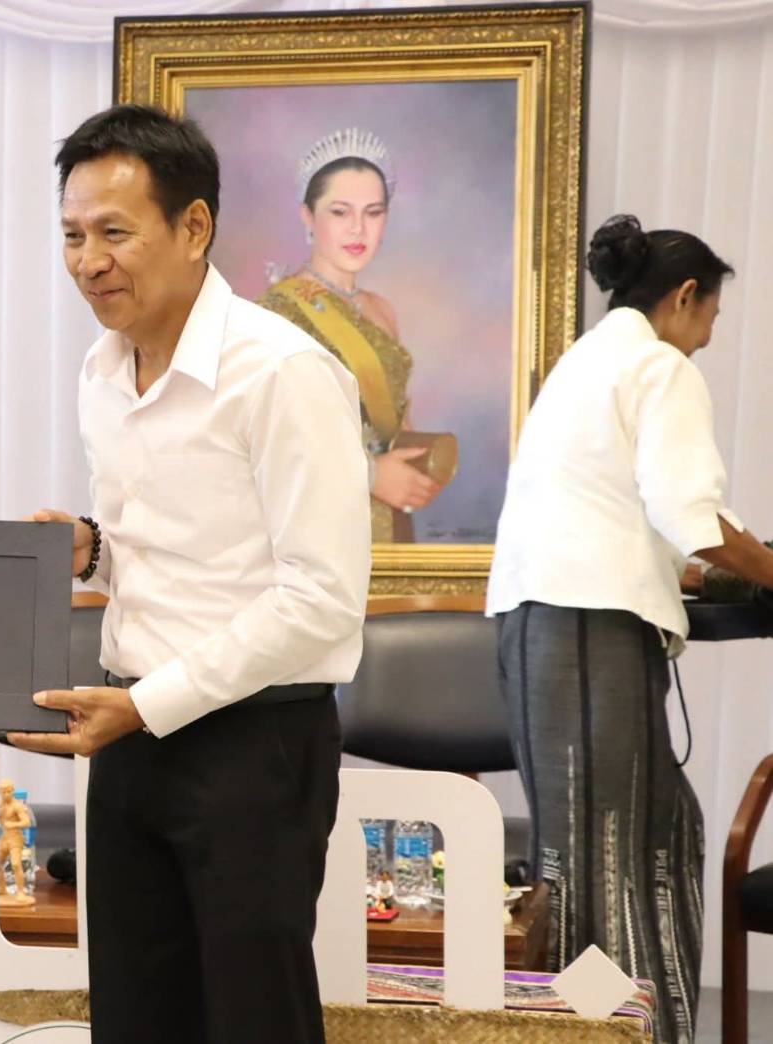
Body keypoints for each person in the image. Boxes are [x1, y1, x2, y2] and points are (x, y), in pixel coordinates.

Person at [10, 104, 371, 1043]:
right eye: (72, 235)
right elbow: (183, 545)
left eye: (114, 233)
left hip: (254, 745)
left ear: (194, 226)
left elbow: (323, 597)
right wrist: (94, 547)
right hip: (127, 736)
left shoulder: (281, 372)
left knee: (253, 1020)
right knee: (135, 1014)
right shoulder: (101, 370)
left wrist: (150, 704)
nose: (89, 261)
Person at [487, 214, 773, 1043]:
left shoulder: (587, 361)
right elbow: (694, 518)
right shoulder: (658, 365)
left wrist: (710, 566)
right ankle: (612, 1033)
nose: (706, 340)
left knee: (632, 838)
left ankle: (620, 1026)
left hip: (542, 625)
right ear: (684, 296)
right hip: (586, 632)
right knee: (606, 859)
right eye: (710, 318)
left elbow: (625, 515)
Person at [257, 128, 450, 542]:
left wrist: (420, 470)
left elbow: (397, 420)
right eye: (340, 212)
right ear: (308, 216)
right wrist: (373, 475)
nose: (358, 229)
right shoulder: (278, 310)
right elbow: (272, 439)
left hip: (392, 518)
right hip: (321, 526)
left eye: (373, 213)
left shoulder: (382, 310)